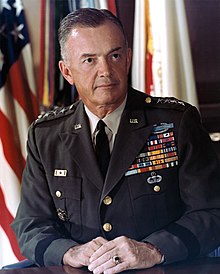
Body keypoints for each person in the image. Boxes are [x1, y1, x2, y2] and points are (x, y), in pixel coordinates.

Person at [12, 8, 220, 273]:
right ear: (67, 71)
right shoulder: (45, 136)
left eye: (115, 55)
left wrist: (154, 249)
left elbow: (212, 212)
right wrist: (68, 252)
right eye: (89, 60)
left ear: (128, 58)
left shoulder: (176, 123)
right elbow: (31, 224)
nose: (105, 71)